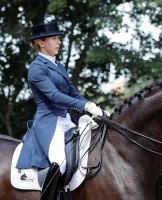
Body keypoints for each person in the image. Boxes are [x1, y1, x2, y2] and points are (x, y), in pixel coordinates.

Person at [16, 21, 103, 199]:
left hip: (68, 121)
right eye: (54, 38)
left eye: (59, 38)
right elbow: (54, 96)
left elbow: (74, 93)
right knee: (60, 164)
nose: (59, 42)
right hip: (49, 124)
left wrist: (94, 108)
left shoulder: (59, 67)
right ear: (41, 42)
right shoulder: (36, 68)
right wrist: (85, 106)